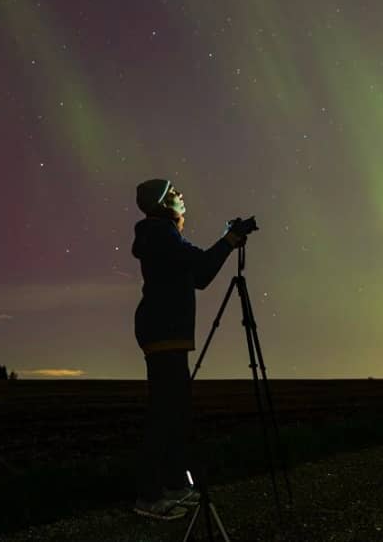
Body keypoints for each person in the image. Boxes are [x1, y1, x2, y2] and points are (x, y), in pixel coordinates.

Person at [131, 178, 247, 520]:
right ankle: (149, 496)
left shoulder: (163, 234)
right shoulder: (160, 233)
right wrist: (228, 241)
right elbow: (201, 268)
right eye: (174, 193)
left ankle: (173, 485)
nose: (182, 195)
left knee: (174, 412)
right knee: (165, 413)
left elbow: (198, 275)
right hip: (164, 331)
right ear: (163, 202)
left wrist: (225, 242)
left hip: (167, 332)